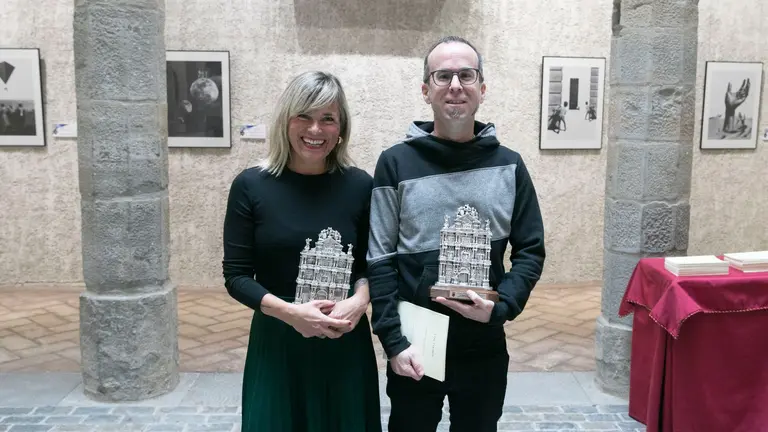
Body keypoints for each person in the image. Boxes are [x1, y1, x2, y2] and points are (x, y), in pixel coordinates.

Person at [367, 36, 546, 432]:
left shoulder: (510, 166)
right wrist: (393, 342)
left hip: (482, 342)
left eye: (466, 75)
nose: (455, 85)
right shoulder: (394, 163)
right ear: (425, 90)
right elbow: (379, 258)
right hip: (416, 342)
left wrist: (502, 307)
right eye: (443, 75)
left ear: (481, 89)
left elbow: (531, 250)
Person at [222, 71, 381, 432]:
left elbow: (373, 263)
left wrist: (359, 302)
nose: (315, 129)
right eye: (304, 116)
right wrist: (292, 314)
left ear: (341, 128)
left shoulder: (360, 186)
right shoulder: (250, 186)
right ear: (286, 121)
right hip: (279, 337)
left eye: (328, 119)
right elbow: (236, 276)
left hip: (344, 335)